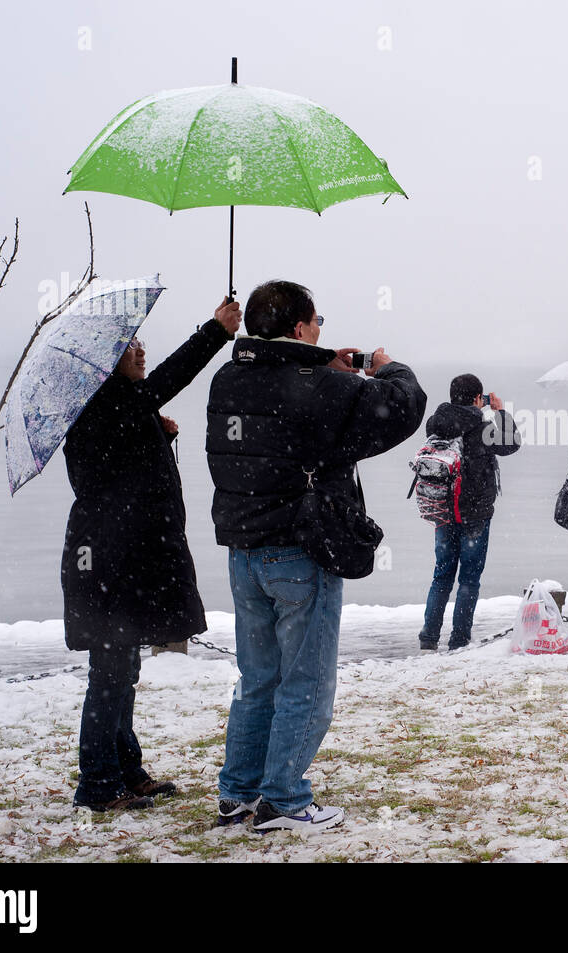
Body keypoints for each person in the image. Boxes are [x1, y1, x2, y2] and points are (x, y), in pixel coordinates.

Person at [206, 279, 425, 833]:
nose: (322, 329)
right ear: (301, 327)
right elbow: (401, 409)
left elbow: (281, 401)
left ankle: (238, 792)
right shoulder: (316, 385)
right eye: (318, 322)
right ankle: (284, 799)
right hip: (301, 553)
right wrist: (386, 367)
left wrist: (322, 363)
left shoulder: (228, 378)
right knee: (306, 681)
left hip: (244, 552)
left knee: (258, 678)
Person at [62, 297, 240, 812]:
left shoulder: (116, 405)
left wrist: (152, 434)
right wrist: (216, 330)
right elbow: (170, 377)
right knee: (110, 670)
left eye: (139, 341)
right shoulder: (104, 402)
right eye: (128, 346)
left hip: (123, 556)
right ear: (103, 361)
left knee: (123, 669)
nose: (139, 350)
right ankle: (97, 785)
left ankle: (125, 769)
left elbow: (121, 461)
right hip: (106, 562)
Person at [417, 374, 522, 652]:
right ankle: (459, 638)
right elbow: (511, 444)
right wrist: (499, 411)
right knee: (469, 579)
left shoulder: (437, 424)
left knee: (441, 575)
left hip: (443, 509)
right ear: (478, 399)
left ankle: (429, 636)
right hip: (475, 514)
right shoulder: (483, 426)